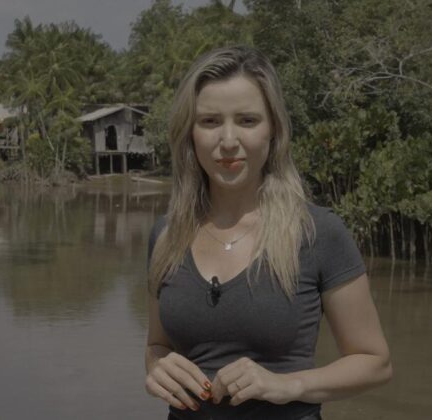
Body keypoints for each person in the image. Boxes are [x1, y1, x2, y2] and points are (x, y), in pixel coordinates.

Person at [144, 46, 392, 419]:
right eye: (210, 121)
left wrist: (287, 385)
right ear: (189, 133)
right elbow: (157, 346)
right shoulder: (166, 235)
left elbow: (375, 362)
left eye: (247, 120)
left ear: (273, 129)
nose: (229, 140)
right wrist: (156, 367)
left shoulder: (318, 233)